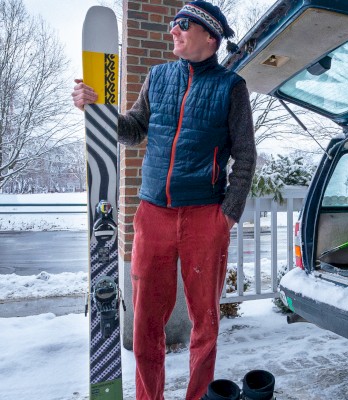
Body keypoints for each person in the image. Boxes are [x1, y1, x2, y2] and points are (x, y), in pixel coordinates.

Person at [72, 2, 256, 399]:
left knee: (204, 322)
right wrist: (98, 108)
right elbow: (133, 129)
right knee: (146, 323)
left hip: (205, 216)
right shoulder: (157, 77)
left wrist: (228, 214)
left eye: (182, 25)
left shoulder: (231, 88)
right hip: (153, 214)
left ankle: (199, 395)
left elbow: (246, 155)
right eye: (173, 24)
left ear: (210, 36)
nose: (173, 30)